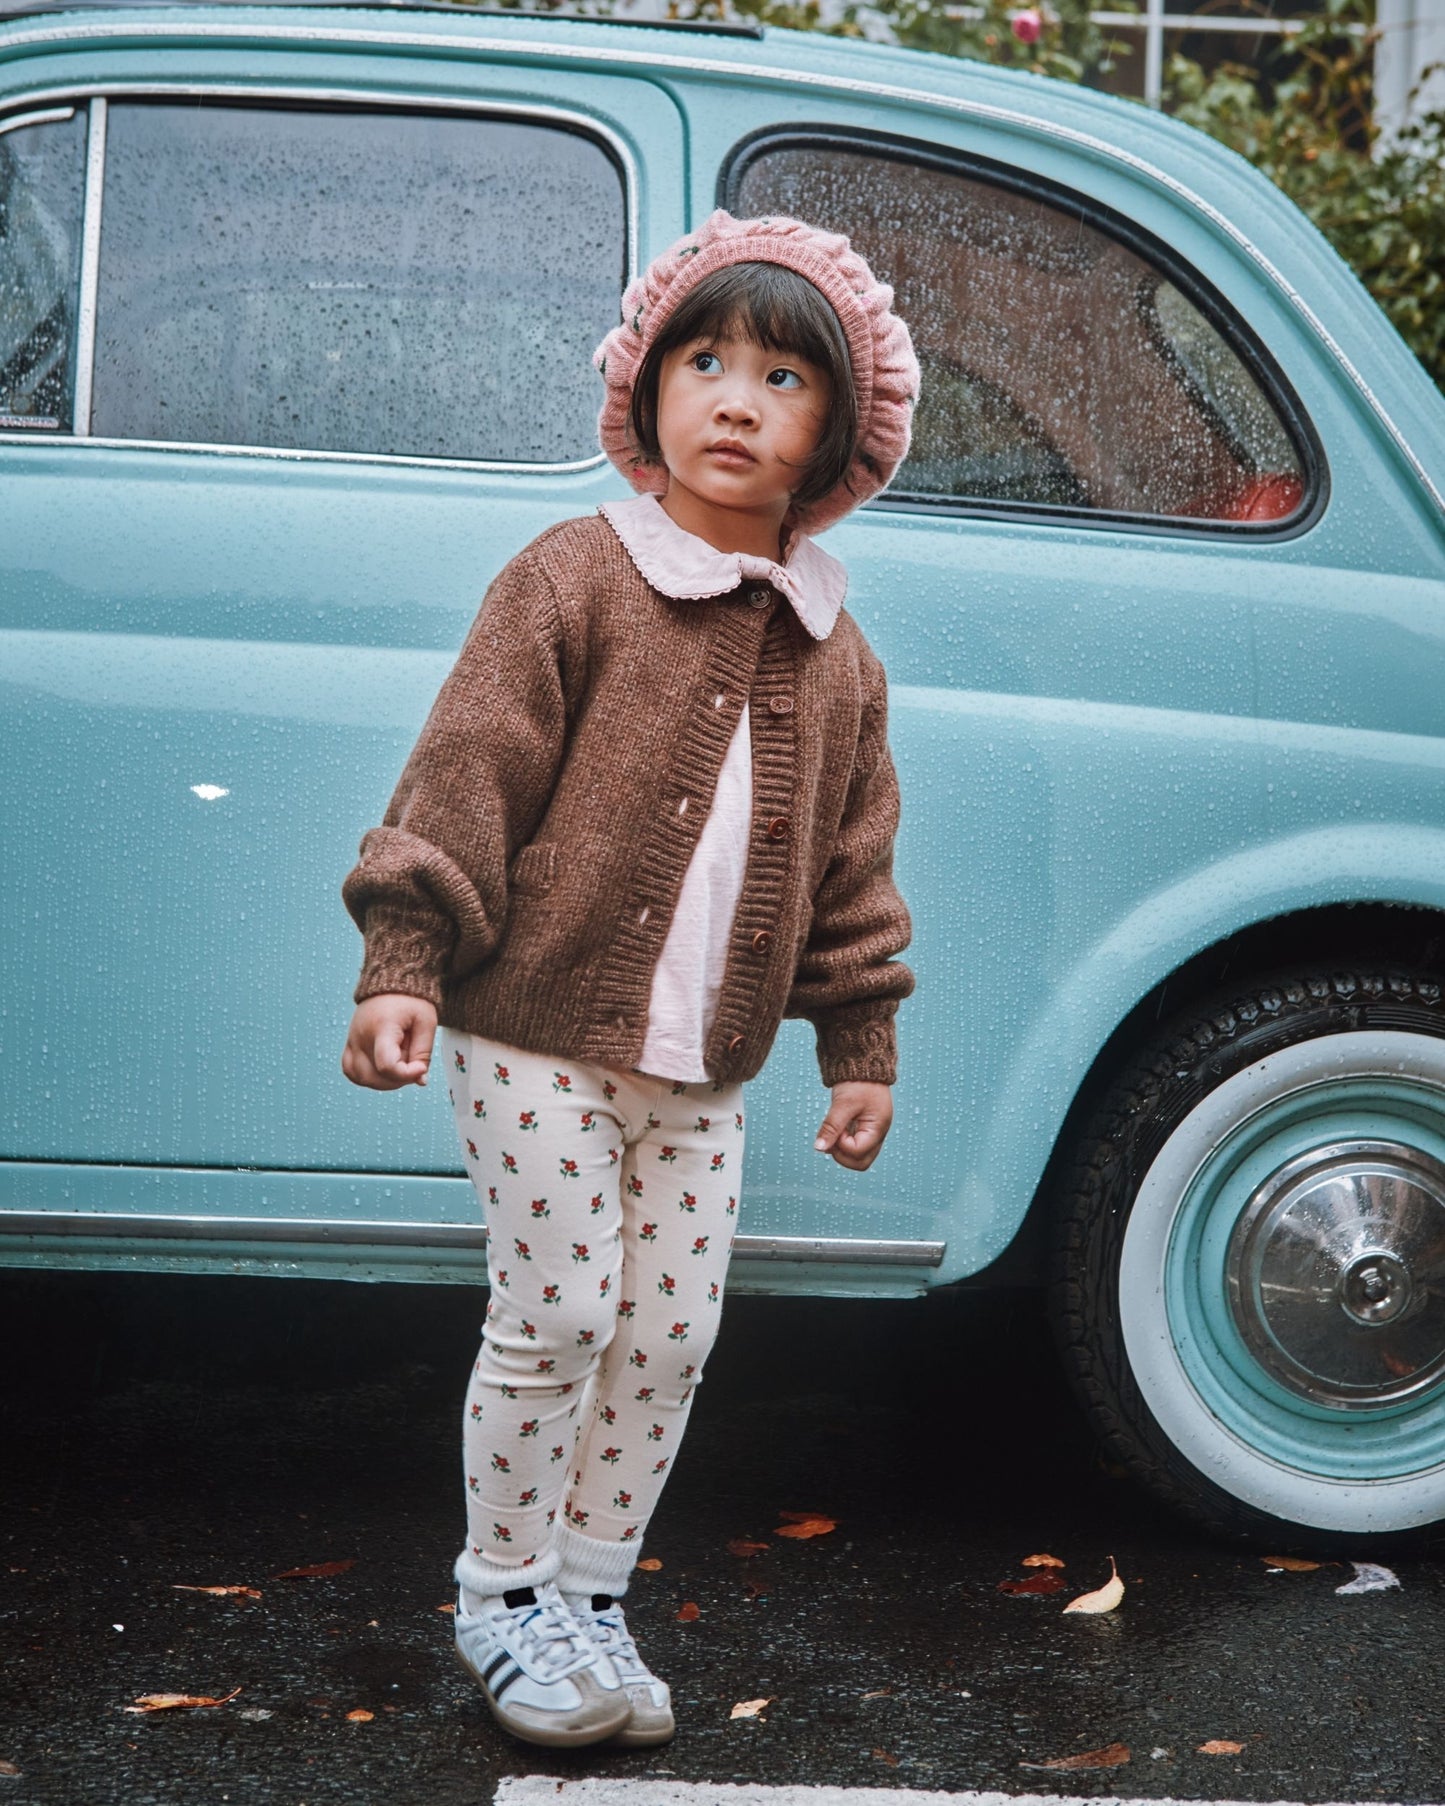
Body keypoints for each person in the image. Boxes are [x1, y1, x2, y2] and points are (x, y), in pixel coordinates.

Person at [339, 208, 919, 1752]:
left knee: (668, 1334)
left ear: (836, 436)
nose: (737, 398)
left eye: (785, 379)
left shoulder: (833, 649)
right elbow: (466, 771)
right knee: (561, 1310)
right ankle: (498, 1595)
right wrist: (404, 956)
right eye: (707, 361)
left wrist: (855, 1040)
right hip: (530, 1034)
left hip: (706, 1068)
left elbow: (854, 868)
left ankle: (589, 1598)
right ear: (648, 389)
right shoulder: (575, 578)